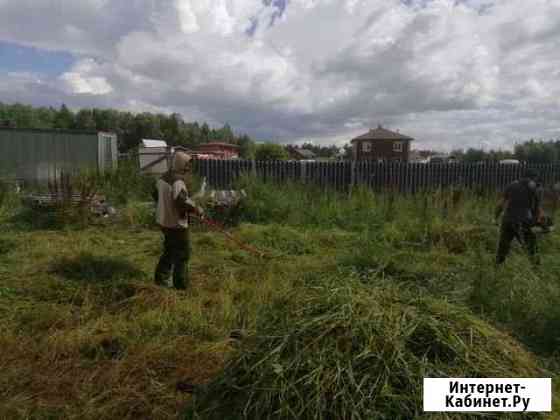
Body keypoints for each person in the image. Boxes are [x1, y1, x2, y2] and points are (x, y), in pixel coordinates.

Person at [152, 151, 203, 290]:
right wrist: (197, 209)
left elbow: (155, 195)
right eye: (187, 165)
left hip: (163, 221)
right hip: (176, 224)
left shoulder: (163, 177)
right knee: (182, 254)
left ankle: (160, 280)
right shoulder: (178, 181)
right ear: (180, 163)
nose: (188, 168)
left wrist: (165, 206)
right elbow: (182, 203)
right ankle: (181, 285)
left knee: (169, 250)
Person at [494, 169, 544, 266]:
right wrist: (539, 223)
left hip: (507, 220)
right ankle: (537, 269)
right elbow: (537, 209)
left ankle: (497, 267)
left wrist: (495, 218)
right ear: (533, 178)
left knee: (503, 247)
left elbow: (500, 204)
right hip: (524, 220)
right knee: (531, 247)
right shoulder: (534, 188)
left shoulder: (511, 185)